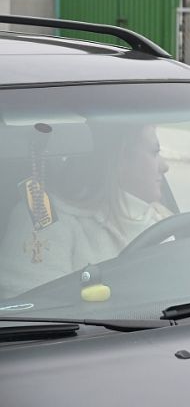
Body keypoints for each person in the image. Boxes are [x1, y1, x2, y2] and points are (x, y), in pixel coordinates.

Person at [0, 123, 172, 297]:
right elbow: (29, 312)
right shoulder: (44, 219)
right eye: (155, 152)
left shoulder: (163, 217)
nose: (165, 166)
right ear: (121, 157)